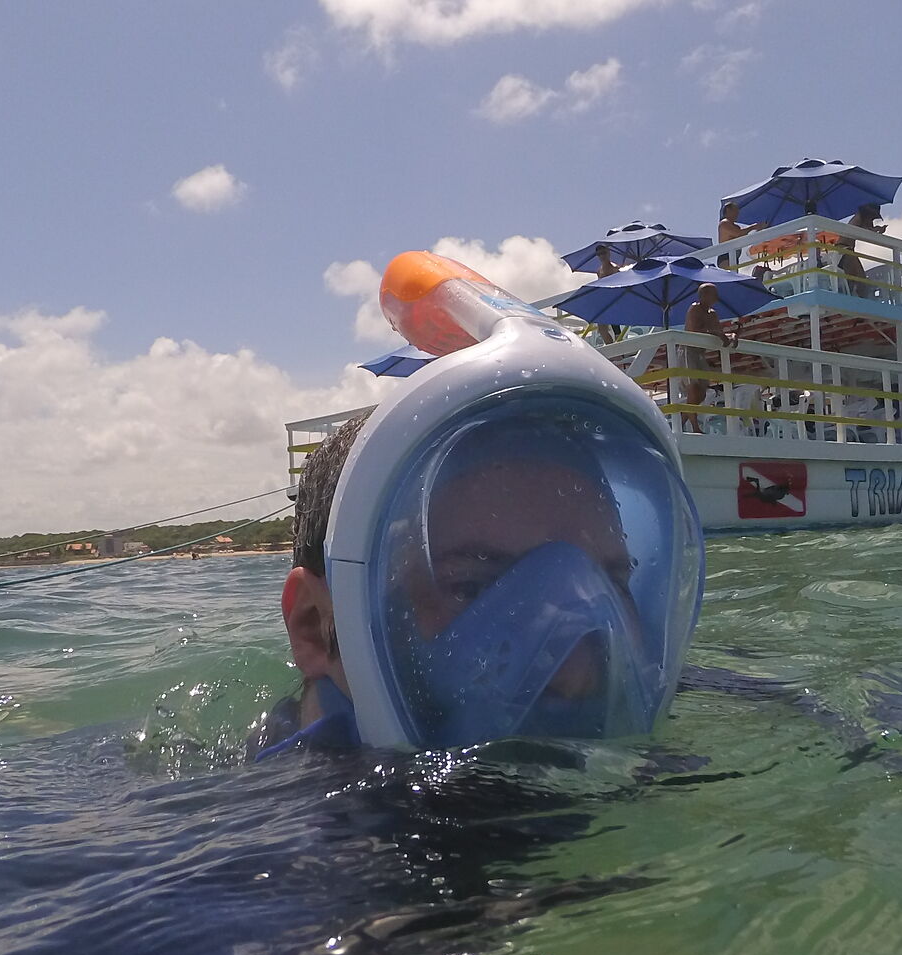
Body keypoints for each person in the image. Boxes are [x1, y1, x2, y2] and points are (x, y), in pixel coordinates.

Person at [262, 251, 704, 755]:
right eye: (471, 587)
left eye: (613, 584)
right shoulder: (241, 805)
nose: (575, 675)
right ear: (316, 628)